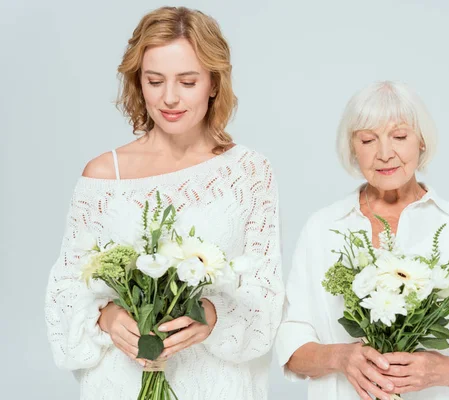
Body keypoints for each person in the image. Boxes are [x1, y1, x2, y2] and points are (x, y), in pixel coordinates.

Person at [45, 7, 283, 399]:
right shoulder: (104, 176)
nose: (169, 98)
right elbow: (66, 288)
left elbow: (266, 291)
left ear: (213, 83)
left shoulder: (249, 173)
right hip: (120, 382)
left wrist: (213, 315)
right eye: (155, 81)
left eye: (187, 81)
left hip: (213, 382)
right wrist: (105, 317)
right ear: (138, 83)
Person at [275, 81, 449, 400]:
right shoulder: (321, 228)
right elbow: (291, 345)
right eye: (368, 139)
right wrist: (341, 358)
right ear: (353, 148)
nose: (385, 153)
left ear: (422, 142)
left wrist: (443, 371)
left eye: (400, 137)